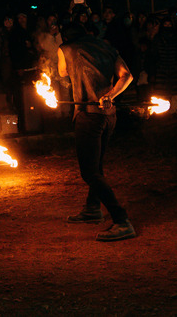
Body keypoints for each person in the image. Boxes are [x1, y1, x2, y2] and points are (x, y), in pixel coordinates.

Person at [57, 23, 136, 242]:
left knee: (89, 172)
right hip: (109, 115)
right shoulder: (106, 47)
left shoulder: (66, 48)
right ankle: (92, 209)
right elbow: (127, 76)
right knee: (97, 166)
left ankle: (122, 220)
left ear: (66, 38)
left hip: (88, 115)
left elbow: (62, 72)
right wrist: (110, 95)